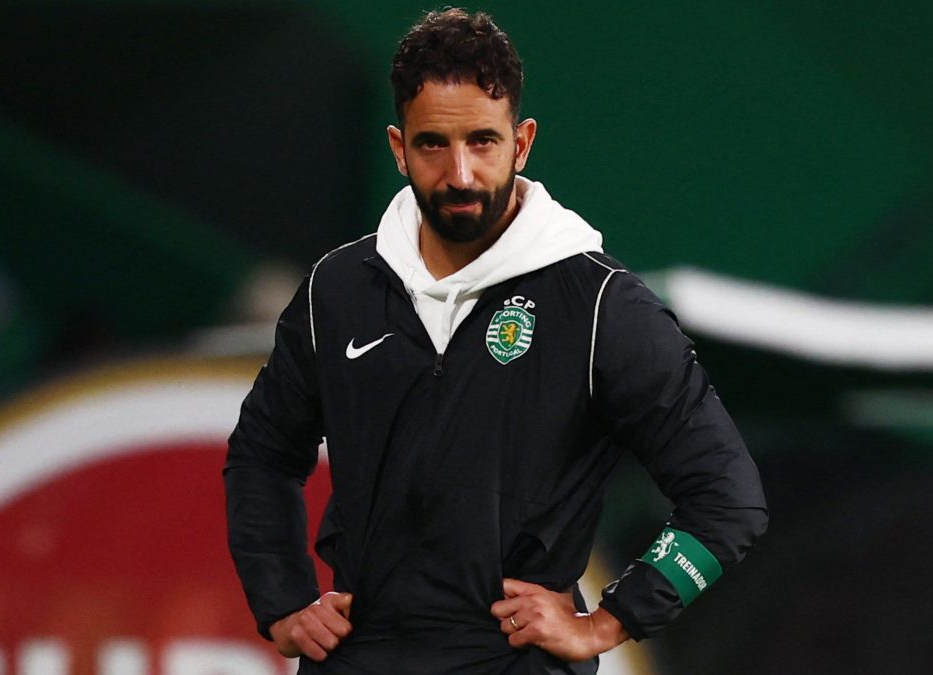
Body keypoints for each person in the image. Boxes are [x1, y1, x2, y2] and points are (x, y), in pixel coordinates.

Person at [224, 8, 767, 674]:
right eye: (433, 144)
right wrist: (281, 601)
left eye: (482, 141)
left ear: (523, 142)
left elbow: (729, 497)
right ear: (398, 147)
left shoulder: (600, 305)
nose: (459, 173)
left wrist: (610, 619)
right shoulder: (338, 289)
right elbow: (260, 452)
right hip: (356, 658)